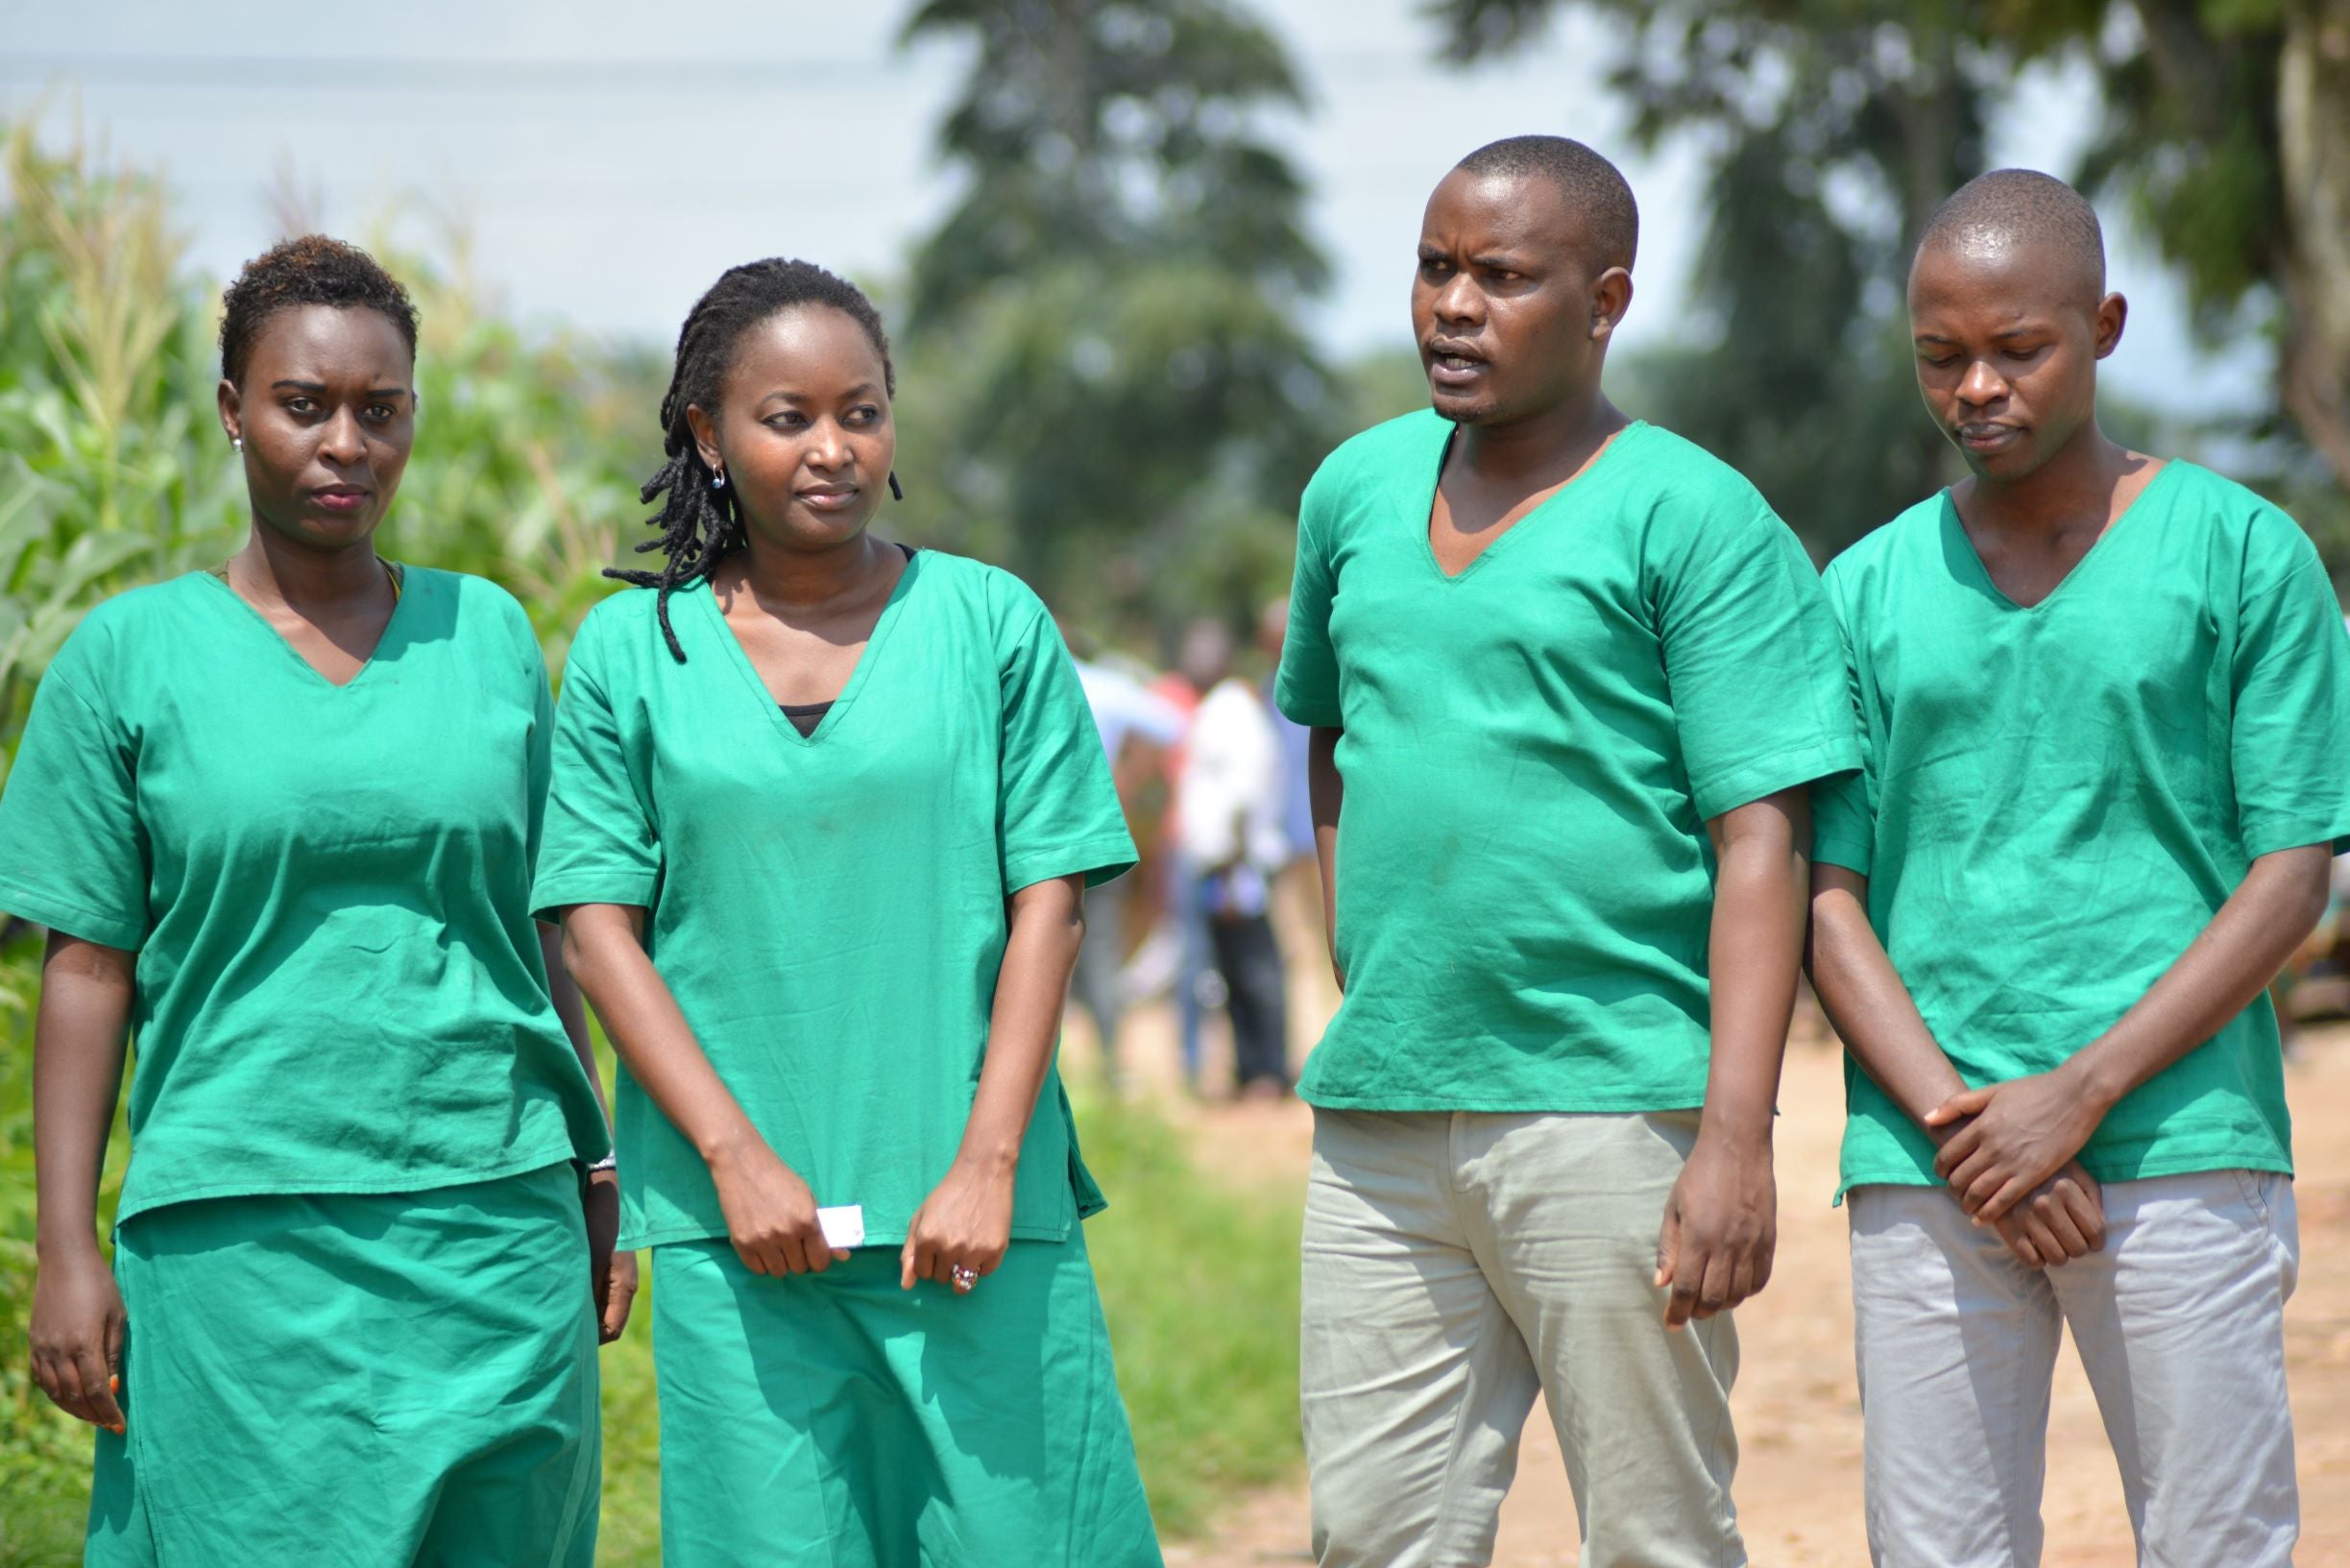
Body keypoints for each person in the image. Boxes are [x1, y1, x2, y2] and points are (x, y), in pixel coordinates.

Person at [1276, 135, 1859, 1567]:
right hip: (1383, 1117)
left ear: (1603, 303)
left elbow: (1759, 835)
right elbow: (1329, 732)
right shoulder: (1351, 493)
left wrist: (1733, 1133)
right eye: (1432, 268)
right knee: (1367, 1536)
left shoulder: (1693, 516)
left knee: (1654, 1537)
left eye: (1499, 276)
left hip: (1613, 1115)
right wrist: (1367, 951)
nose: (1451, 306)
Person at [0, 235, 624, 1566]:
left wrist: (597, 1164)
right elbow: (86, 968)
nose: (345, 442)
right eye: (303, 405)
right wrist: (67, 1247)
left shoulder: (491, 634)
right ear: (232, 412)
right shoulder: (128, 660)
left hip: (494, 1222)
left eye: (379, 410)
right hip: (239, 1241)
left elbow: (542, 926)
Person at [534, 258, 1161, 1567]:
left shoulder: (989, 623)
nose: (833, 448)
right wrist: (732, 1160)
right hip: (739, 1237)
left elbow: (1049, 900)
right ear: (705, 434)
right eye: (787, 418)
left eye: (860, 411)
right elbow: (596, 929)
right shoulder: (630, 655)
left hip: (972, 1219)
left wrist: (989, 1163)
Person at [1806, 169, 2349, 1568]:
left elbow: (2289, 871)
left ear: (2101, 326)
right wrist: (1962, 1123)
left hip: (2176, 1147)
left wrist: (2077, 1095)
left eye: (2016, 349)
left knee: (2213, 1546)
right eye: (1939, 358)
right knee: (1933, 1553)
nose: (1974, 386)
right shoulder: (1862, 588)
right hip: (1928, 1158)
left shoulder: (2240, 555)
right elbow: (1822, 893)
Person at [1175, 616, 1293, 1096]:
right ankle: (1247, 1069)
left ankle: (1268, 1070)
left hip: (1235, 864)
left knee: (1256, 971)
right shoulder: (1218, 708)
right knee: (1231, 973)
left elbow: (1243, 797)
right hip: (1221, 863)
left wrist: (1231, 868)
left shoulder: (1232, 710)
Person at [1071, 642, 1185, 1089]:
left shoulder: (1017, 678)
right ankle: (1112, 1064)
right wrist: (1129, 776)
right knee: (1100, 950)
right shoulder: (1107, 686)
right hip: (1097, 834)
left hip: (1031, 838)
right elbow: (1171, 724)